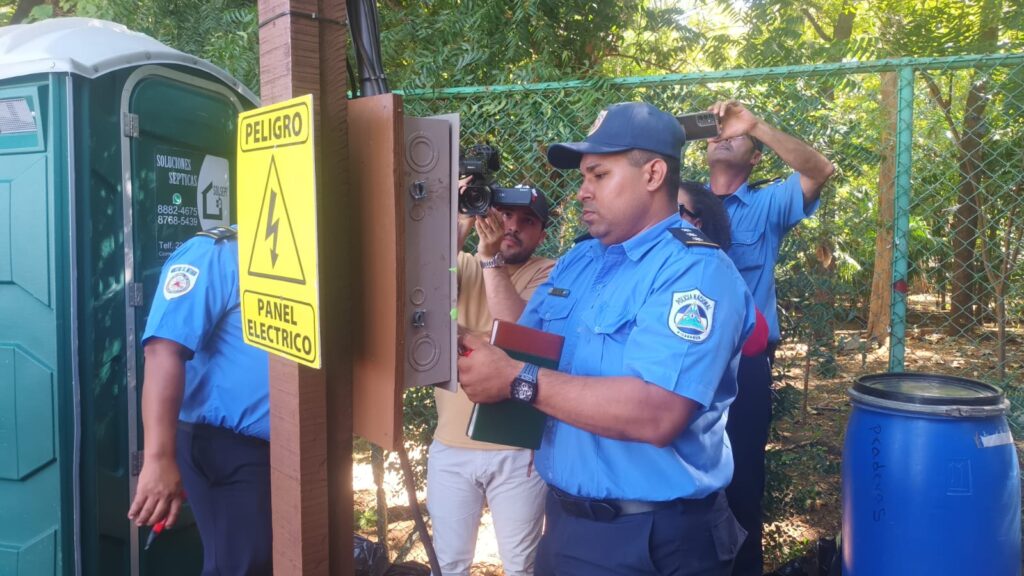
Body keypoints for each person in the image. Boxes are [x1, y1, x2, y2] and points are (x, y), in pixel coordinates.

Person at [457, 102, 756, 576]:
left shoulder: (694, 270)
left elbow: (658, 412)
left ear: (654, 173)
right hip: (566, 524)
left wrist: (516, 379)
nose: (581, 192)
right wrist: (464, 343)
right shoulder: (579, 261)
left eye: (598, 175)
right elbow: (533, 348)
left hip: (653, 540)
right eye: (583, 177)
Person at [127, 226, 271, 576]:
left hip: (289, 448)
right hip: (231, 449)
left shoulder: (303, 256)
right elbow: (163, 351)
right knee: (242, 567)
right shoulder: (214, 253)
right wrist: (159, 459)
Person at [427, 186, 555, 576]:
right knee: (449, 565)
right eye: (505, 215)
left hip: (517, 450)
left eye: (526, 222)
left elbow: (516, 341)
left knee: (522, 566)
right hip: (451, 445)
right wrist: (459, 224)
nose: (512, 227)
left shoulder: (549, 271)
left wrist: (490, 260)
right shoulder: (460, 262)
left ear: (542, 234)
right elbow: (423, 309)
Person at [679, 181, 772, 576]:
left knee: (740, 494)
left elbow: (757, 340)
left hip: (740, 388)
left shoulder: (715, 269)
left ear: (697, 223)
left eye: (676, 209)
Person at [706, 100, 835, 359]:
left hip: (746, 349)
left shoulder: (769, 204)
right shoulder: (681, 204)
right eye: (717, 135)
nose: (725, 139)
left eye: (737, 135)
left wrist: (754, 125)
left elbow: (821, 171)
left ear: (756, 157)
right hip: (687, 345)